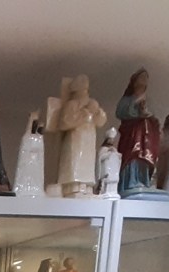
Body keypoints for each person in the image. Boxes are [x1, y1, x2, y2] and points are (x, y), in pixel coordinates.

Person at [52, 75, 106, 197]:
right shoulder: (72, 104)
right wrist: (84, 113)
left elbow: (100, 121)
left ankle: (86, 187)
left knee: (87, 163)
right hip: (75, 137)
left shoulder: (93, 103)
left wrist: (98, 113)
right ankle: (72, 187)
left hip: (89, 137)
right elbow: (64, 123)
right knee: (74, 162)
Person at [116, 69, 161, 197]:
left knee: (144, 157)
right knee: (133, 156)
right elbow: (120, 112)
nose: (143, 81)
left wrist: (149, 116)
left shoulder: (148, 100)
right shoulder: (127, 99)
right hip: (132, 134)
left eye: (146, 79)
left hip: (146, 137)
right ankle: (130, 181)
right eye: (141, 78)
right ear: (134, 81)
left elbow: (155, 120)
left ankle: (142, 180)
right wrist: (135, 101)